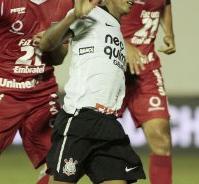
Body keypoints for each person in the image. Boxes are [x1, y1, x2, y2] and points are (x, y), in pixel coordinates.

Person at [0, 0, 74, 184]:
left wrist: (53, 42)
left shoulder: (65, 4)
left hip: (42, 95)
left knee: (61, 168)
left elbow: (59, 58)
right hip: (2, 93)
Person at [38, 0, 146, 183]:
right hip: (81, 118)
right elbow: (46, 44)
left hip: (109, 123)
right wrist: (72, 16)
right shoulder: (91, 14)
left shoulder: (116, 29)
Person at [119, 0, 176, 184]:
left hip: (147, 69)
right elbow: (92, 13)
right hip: (113, 67)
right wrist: (122, 44)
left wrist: (169, 33)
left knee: (161, 137)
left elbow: (165, 4)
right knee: (85, 141)